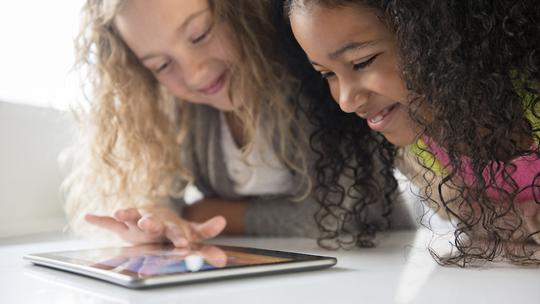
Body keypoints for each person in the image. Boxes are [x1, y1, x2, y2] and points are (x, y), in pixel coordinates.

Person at [63, 0, 411, 248]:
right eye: (161, 65)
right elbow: (165, 201)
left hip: (380, 261)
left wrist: (212, 213)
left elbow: (343, 213)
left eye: (199, 35)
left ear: (240, 9)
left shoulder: (313, 81)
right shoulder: (183, 112)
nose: (194, 73)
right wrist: (161, 220)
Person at [286, 0, 540, 265]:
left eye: (362, 62)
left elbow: (494, 224)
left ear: (439, 37)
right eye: (327, 73)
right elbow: (476, 221)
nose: (346, 101)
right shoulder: (420, 147)